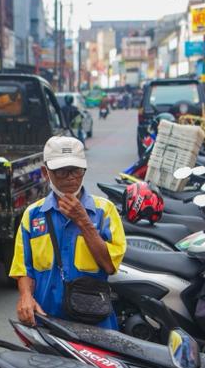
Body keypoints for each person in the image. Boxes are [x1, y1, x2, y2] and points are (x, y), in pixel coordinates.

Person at [12, 136, 126, 328]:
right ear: (45, 172)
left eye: (76, 170)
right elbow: (24, 268)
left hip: (95, 322)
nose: (71, 177)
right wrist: (25, 296)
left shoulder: (105, 211)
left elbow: (109, 265)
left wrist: (83, 221)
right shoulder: (32, 215)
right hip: (46, 320)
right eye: (61, 171)